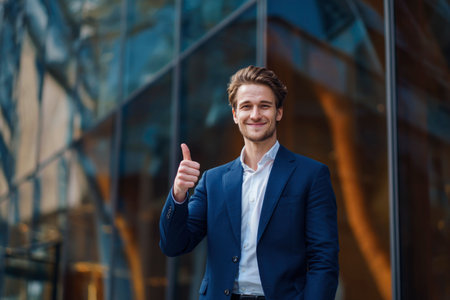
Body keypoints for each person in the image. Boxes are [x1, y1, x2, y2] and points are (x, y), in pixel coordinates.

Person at [160, 65, 339, 300]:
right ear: (235, 115)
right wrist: (179, 193)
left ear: (279, 112)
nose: (255, 114)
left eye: (264, 106)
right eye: (246, 106)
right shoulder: (213, 181)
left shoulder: (311, 175)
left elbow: (324, 260)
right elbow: (174, 245)